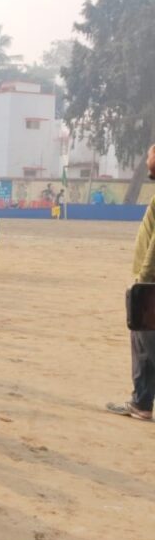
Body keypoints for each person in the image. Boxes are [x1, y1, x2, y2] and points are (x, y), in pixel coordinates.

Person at [107, 144, 155, 421]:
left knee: (146, 342)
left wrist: (143, 281)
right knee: (143, 342)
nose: (146, 160)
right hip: (149, 281)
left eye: (149, 157)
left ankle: (141, 401)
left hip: (150, 284)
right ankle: (141, 402)